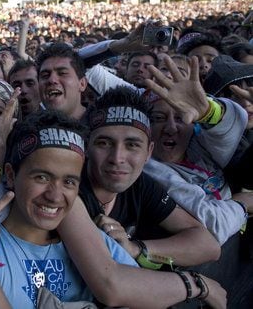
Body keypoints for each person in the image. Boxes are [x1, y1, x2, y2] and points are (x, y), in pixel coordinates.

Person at [0, 111, 137, 308]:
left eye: (69, 181)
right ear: (10, 175)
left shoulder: (94, 245)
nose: (55, 196)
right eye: (42, 177)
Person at [80, 87, 221, 268]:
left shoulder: (141, 185)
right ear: (86, 146)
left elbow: (208, 246)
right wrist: (197, 286)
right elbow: (110, 287)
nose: (117, 158)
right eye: (104, 143)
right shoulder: (71, 189)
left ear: (149, 152)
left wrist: (136, 249)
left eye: (132, 145)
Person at [143, 54, 250, 245]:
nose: (171, 128)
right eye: (158, 118)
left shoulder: (199, 145)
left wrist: (208, 111)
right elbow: (214, 224)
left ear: (195, 125)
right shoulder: (149, 170)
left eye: (180, 118)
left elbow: (237, 117)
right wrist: (243, 203)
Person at [36, 43, 88, 121]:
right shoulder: (29, 129)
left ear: (82, 84)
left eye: (62, 73)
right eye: (45, 75)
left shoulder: (102, 124)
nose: (52, 80)